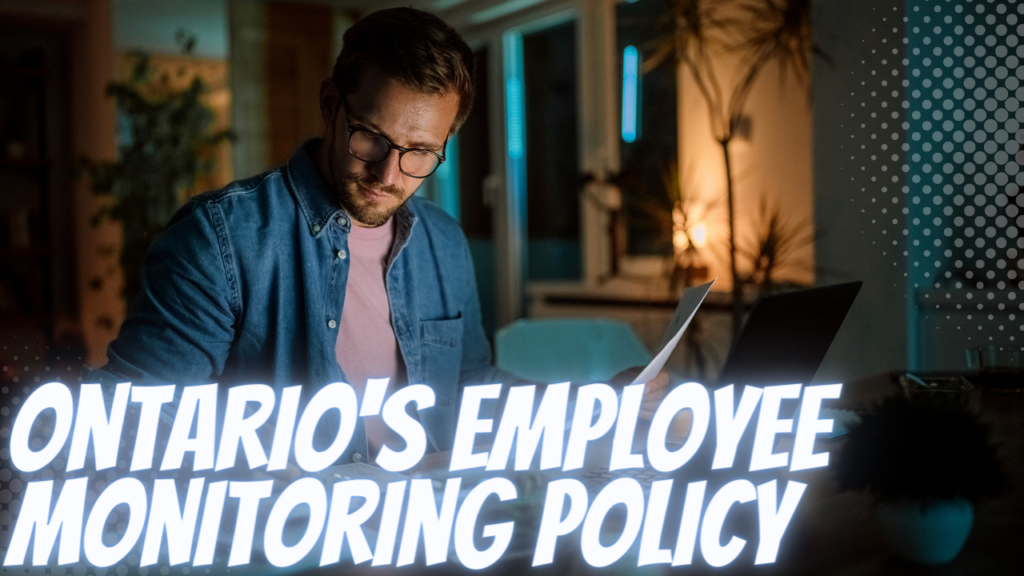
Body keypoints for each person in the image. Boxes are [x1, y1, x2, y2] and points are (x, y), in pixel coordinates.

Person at [84, 7, 667, 464]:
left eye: (420, 154)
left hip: (427, 531)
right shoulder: (221, 238)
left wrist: (590, 404)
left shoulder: (444, 242)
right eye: (371, 138)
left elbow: (469, 391)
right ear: (331, 104)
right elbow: (135, 420)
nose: (389, 175)